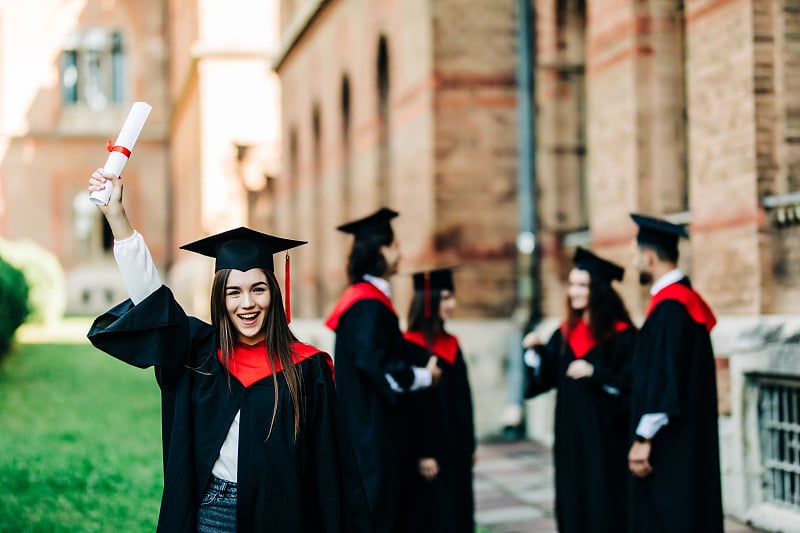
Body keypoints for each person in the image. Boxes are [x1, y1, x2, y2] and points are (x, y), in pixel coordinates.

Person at [86, 169, 371, 533]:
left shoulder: (307, 369)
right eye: (233, 292)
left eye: (258, 289)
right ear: (219, 298)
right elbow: (153, 302)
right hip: (213, 513)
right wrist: (117, 218)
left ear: (275, 292)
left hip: (284, 517)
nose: (247, 303)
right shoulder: (197, 353)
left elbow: (333, 468)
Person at [324, 207, 441, 533]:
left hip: (369, 430)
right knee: (377, 515)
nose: (400, 253)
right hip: (371, 436)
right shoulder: (366, 305)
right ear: (378, 250)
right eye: (393, 245)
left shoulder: (367, 301)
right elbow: (380, 369)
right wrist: (424, 376)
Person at [522, 247, 636, 533]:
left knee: (604, 499)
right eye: (572, 284)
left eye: (582, 285)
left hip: (605, 437)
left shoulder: (622, 334)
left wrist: (595, 372)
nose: (574, 291)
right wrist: (536, 353)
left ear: (598, 290)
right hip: (570, 434)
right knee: (573, 496)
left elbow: (631, 384)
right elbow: (544, 379)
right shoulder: (564, 333)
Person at [627, 213, 723, 533]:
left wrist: (643, 438)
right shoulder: (682, 302)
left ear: (649, 257)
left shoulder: (670, 308)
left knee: (669, 515)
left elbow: (663, 377)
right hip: (688, 435)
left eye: (636, 255)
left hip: (668, 442)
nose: (635, 262)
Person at [403, 267, 476, 533]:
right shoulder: (409, 346)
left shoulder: (452, 343)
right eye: (445, 298)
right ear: (428, 302)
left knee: (459, 511)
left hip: (456, 446)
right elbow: (413, 409)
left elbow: (464, 398)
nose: (452, 305)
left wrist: (470, 444)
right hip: (430, 452)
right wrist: (423, 453)